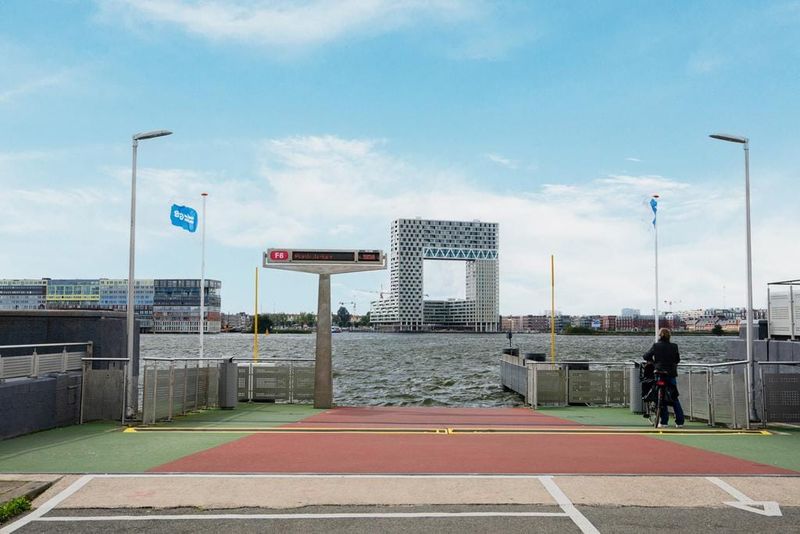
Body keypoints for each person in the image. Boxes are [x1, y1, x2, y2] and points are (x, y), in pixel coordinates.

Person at [643, 328, 685, 428]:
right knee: (674, 397)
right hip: (670, 373)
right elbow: (677, 359)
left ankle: (664, 421)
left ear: (660, 335)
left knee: (660, 397)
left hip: (659, 373)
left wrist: (654, 362)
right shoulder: (674, 346)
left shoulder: (656, 346)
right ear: (669, 336)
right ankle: (679, 422)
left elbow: (646, 356)